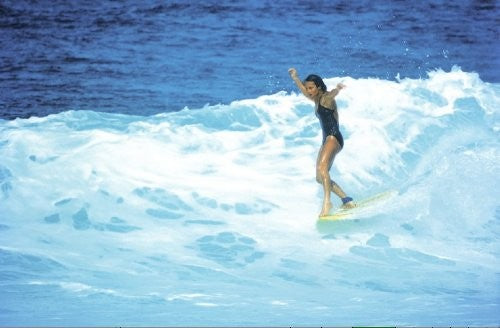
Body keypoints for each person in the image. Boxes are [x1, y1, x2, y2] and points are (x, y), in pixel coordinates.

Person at [288, 68, 354, 217]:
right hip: (326, 139)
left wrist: (337, 88)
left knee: (323, 168)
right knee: (320, 177)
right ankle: (347, 200)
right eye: (308, 88)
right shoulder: (316, 99)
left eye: (311, 88)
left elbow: (332, 94)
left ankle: (327, 202)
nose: (308, 91)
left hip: (334, 137)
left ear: (318, 87)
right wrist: (296, 78)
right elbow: (304, 91)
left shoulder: (327, 99)